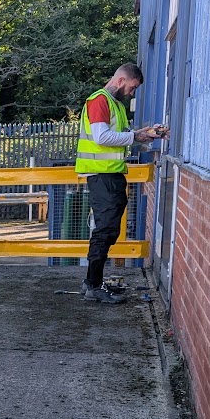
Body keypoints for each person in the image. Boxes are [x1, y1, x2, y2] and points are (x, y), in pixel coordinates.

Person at [74, 63, 164, 303]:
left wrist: (141, 135)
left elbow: (116, 139)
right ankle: (93, 285)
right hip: (101, 175)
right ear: (122, 80)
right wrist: (135, 136)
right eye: (133, 88)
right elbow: (101, 137)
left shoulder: (113, 105)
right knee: (104, 231)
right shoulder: (100, 101)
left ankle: (91, 283)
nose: (132, 94)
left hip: (109, 175)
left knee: (107, 230)